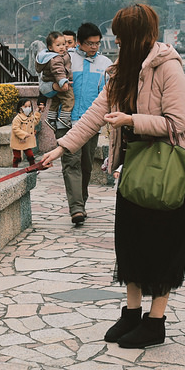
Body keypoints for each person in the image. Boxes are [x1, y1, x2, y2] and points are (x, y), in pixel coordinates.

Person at [40, 4, 185, 349]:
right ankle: (131, 313)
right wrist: (60, 148)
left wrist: (131, 121)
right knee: (130, 245)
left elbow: (178, 124)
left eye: (123, 38)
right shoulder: (120, 71)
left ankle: (155, 322)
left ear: (140, 35)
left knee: (162, 248)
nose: (118, 45)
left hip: (164, 171)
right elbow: (96, 114)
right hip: (133, 170)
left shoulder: (168, 68)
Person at [58, 22, 114, 225]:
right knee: (71, 163)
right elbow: (47, 84)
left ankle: (81, 201)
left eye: (97, 43)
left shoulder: (105, 63)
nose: (94, 47)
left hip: (91, 123)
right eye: (90, 43)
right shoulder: (67, 60)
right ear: (79, 43)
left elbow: (109, 94)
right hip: (67, 121)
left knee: (86, 166)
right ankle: (76, 208)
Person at [35, 31, 74, 129]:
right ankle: (65, 118)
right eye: (58, 45)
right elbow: (59, 71)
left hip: (53, 83)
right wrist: (63, 82)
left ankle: (51, 119)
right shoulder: (56, 58)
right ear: (50, 47)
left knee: (56, 101)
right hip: (59, 82)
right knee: (69, 99)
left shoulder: (53, 56)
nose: (62, 47)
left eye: (63, 44)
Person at [10, 99, 40, 167]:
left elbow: (35, 121)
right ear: (21, 108)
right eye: (25, 107)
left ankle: (33, 168)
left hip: (26, 141)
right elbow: (15, 128)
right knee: (17, 157)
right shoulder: (17, 118)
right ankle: (14, 169)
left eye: (29, 106)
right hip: (17, 140)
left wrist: (38, 112)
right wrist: (24, 134)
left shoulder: (30, 117)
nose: (28, 108)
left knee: (30, 155)